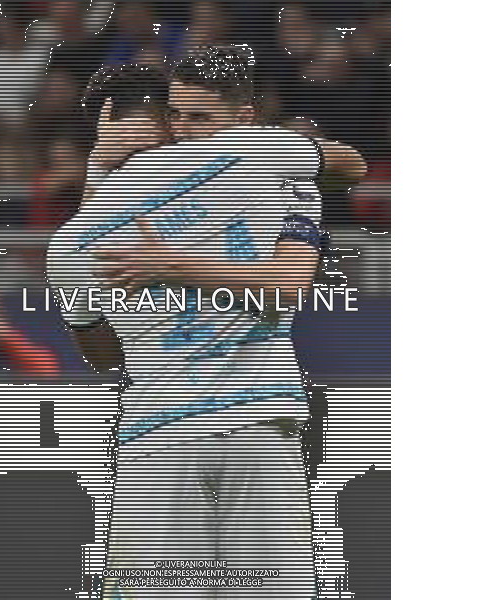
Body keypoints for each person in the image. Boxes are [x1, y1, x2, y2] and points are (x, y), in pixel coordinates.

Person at [48, 46, 366, 599]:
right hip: (204, 432)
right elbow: (351, 167)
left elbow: (102, 356)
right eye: (176, 117)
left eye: (198, 118)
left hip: (226, 431)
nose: (184, 131)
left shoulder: (73, 239)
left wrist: (171, 268)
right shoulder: (269, 159)